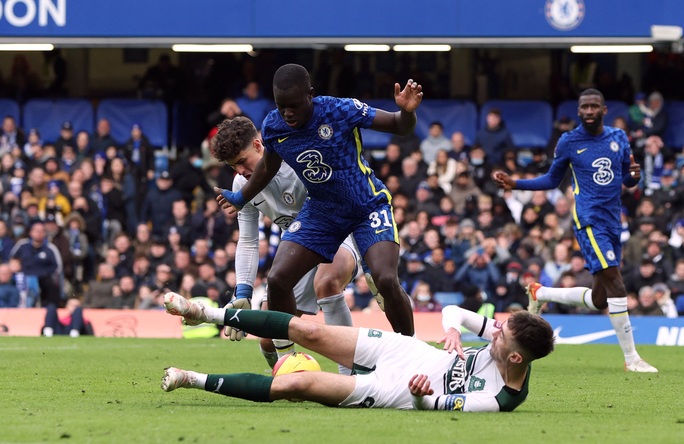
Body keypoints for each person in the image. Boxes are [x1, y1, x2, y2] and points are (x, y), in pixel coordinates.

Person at [213, 64, 419, 336]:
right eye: (281, 106)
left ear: (310, 95)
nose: (287, 114)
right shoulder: (275, 126)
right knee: (276, 282)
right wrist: (240, 198)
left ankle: (407, 353)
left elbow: (398, 125)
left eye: (294, 106)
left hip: (365, 206)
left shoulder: (339, 110)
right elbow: (266, 170)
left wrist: (406, 111)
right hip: (321, 215)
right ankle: (290, 359)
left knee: (374, 279)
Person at [161, 292, 555, 412]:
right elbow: (453, 312)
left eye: (501, 335)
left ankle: (191, 379)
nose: (495, 331)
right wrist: (451, 328)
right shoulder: (508, 339)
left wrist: (422, 395)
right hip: (406, 351)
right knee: (306, 330)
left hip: (396, 390)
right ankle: (204, 313)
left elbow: (436, 407)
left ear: (516, 358)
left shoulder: (500, 398)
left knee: (294, 384)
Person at [493, 88, 657, 373]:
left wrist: (634, 178)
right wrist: (516, 183)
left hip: (612, 221)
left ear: (604, 110)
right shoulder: (569, 141)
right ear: (579, 111)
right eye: (585, 107)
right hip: (588, 220)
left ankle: (540, 293)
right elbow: (552, 179)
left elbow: (628, 179)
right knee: (617, 283)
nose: (590, 111)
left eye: (595, 106)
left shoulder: (619, 137)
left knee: (599, 299)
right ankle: (632, 359)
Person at [212, 116, 371, 370]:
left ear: (257, 145)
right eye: (233, 167)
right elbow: (249, 240)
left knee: (327, 282)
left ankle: (351, 374)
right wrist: (242, 292)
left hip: (339, 229)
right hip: (297, 246)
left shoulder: (297, 161)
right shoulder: (241, 183)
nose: (240, 171)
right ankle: (286, 376)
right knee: (268, 339)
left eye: (241, 161)